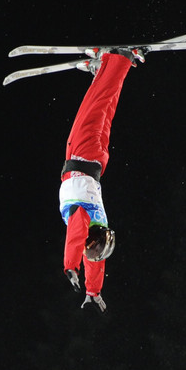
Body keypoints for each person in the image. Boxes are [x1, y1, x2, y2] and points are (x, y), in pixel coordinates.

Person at [59, 46, 144, 312]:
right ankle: (116, 59)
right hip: (82, 155)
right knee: (98, 105)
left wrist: (93, 290)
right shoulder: (82, 218)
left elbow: (95, 258)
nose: (92, 253)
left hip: (96, 160)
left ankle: (105, 70)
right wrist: (70, 266)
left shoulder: (96, 225)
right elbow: (78, 240)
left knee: (105, 105)